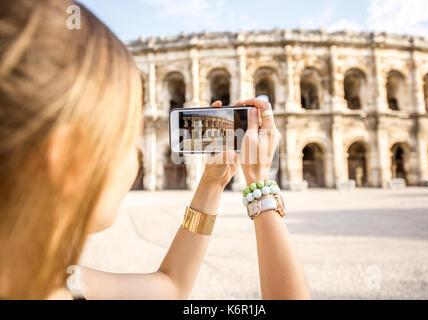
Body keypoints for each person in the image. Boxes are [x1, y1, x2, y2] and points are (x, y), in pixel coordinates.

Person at [0, 0, 310, 300]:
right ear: (70, 159)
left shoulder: (52, 279)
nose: (135, 161)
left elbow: (171, 286)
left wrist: (212, 183)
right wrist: (261, 185)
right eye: (126, 137)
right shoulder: (64, 282)